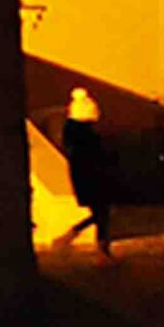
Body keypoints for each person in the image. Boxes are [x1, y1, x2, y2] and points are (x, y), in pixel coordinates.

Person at [57, 86, 118, 256]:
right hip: (94, 175)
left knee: (100, 212)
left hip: (83, 175)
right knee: (102, 212)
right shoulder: (89, 136)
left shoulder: (71, 133)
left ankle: (95, 244)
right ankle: (98, 245)